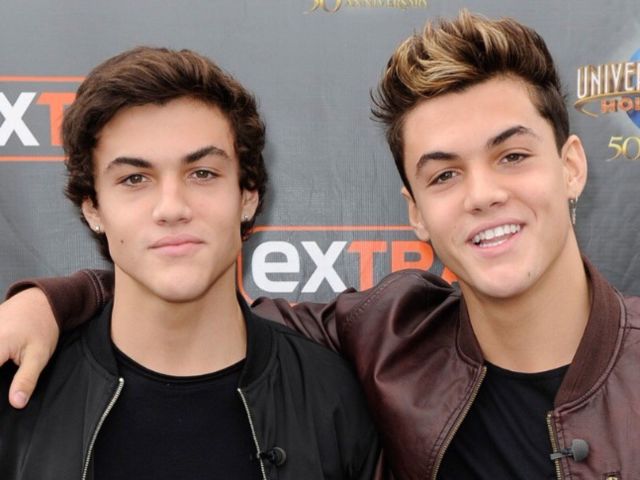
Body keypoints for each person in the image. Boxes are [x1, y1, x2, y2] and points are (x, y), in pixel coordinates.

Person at [2, 10, 640, 479]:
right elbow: (178, 291)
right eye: (444, 174)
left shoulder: (362, 359)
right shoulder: (388, 341)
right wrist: (49, 303)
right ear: (415, 213)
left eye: (513, 156)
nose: (483, 194)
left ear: (571, 167)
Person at [0, 47, 380, 480]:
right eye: (134, 179)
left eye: (202, 173)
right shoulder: (21, 392)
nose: (172, 208)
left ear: (248, 195)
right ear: (93, 209)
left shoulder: (331, 397)